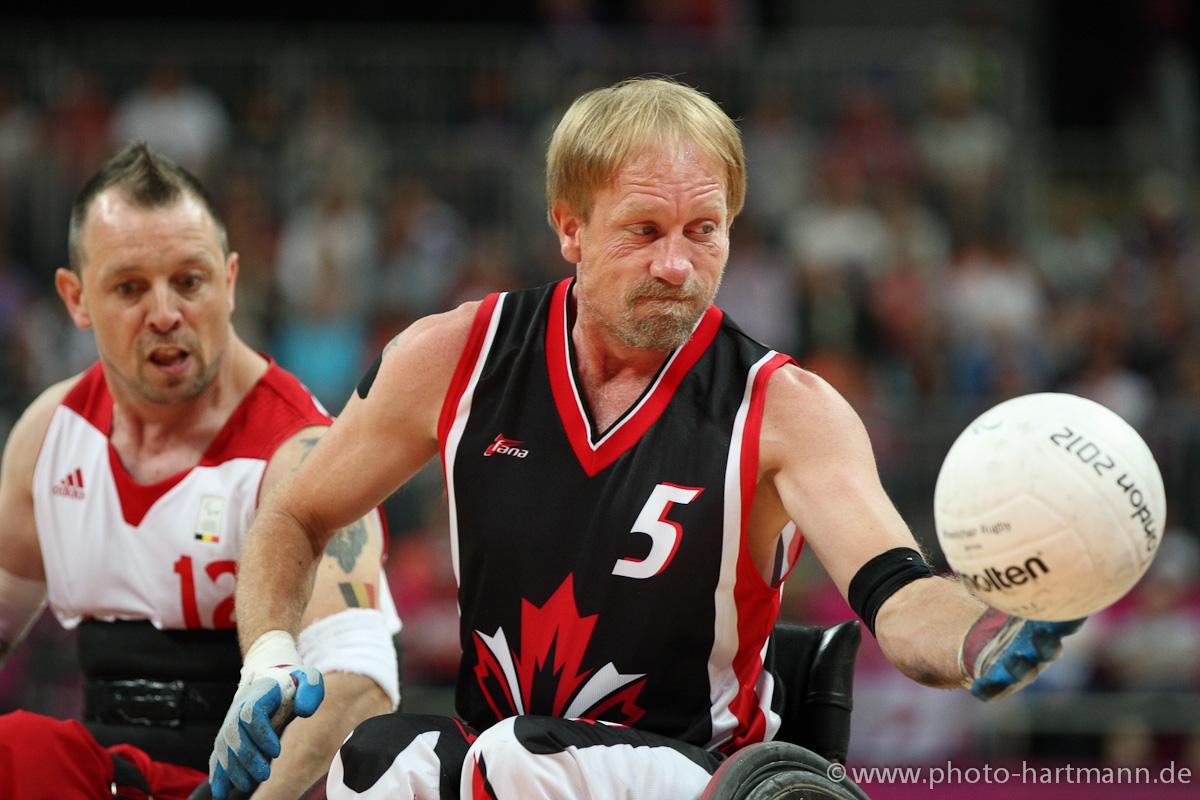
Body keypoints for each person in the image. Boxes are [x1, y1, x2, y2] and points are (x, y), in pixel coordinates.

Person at [209, 78, 1081, 800]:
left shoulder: (786, 408)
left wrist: (976, 635)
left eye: (705, 231)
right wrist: (270, 658)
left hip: (693, 777)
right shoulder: (455, 357)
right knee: (394, 768)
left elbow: (898, 592)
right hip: (493, 766)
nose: (677, 265)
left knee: (485, 760)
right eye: (645, 231)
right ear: (569, 228)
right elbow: (294, 517)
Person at [0, 142, 401, 799]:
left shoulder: (303, 451)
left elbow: (360, 684)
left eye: (189, 281)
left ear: (231, 281)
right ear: (75, 298)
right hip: (105, 772)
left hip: (252, 786)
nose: (165, 313)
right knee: (19, 748)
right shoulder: (51, 434)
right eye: (130, 287)